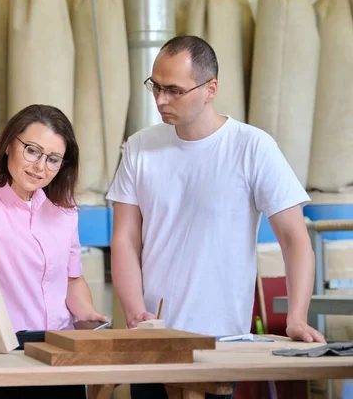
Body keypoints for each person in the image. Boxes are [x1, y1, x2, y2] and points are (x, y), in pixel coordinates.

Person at [106, 36, 325, 399]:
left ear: (211, 89)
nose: (161, 100)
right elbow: (125, 238)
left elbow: (294, 239)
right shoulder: (140, 147)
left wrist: (297, 316)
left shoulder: (252, 147)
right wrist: (135, 311)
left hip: (220, 340)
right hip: (152, 337)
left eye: (174, 90)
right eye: (155, 87)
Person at [0, 104, 106, 399]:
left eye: (53, 159)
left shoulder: (64, 212)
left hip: (60, 352)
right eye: (32, 151)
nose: (39, 167)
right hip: (0, 355)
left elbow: (71, 279)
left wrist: (89, 319)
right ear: (10, 144)